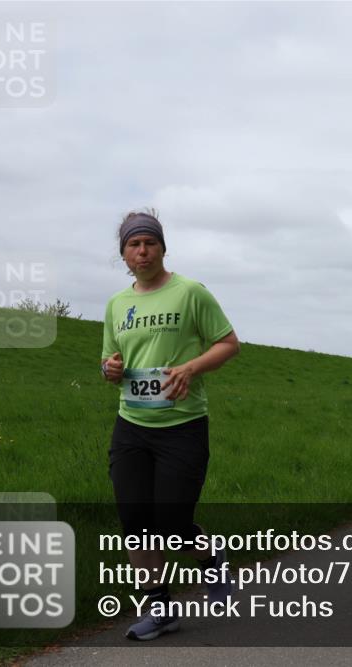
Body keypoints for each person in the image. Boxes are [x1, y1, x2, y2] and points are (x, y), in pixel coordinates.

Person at [100, 210, 240, 641]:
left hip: (183, 425)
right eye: (133, 245)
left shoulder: (190, 293)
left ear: (163, 247)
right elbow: (111, 360)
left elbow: (229, 344)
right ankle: (160, 610)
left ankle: (211, 556)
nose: (142, 252)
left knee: (172, 522)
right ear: (123, 254)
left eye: (149, 243)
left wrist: (191, 369)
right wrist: (110, 368)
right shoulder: (117, 305)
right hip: (131, 426)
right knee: (135, 523)